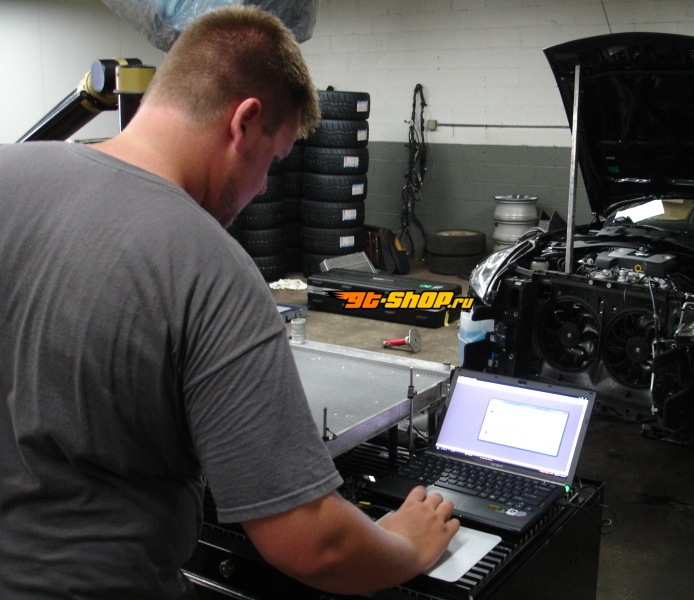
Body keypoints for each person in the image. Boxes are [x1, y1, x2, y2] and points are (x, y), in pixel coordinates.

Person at [0, 6, 459, 599]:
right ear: (245, 122)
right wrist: (407, 545)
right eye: (273, 159)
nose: (264, 186)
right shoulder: (207, 265)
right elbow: (313, 544)